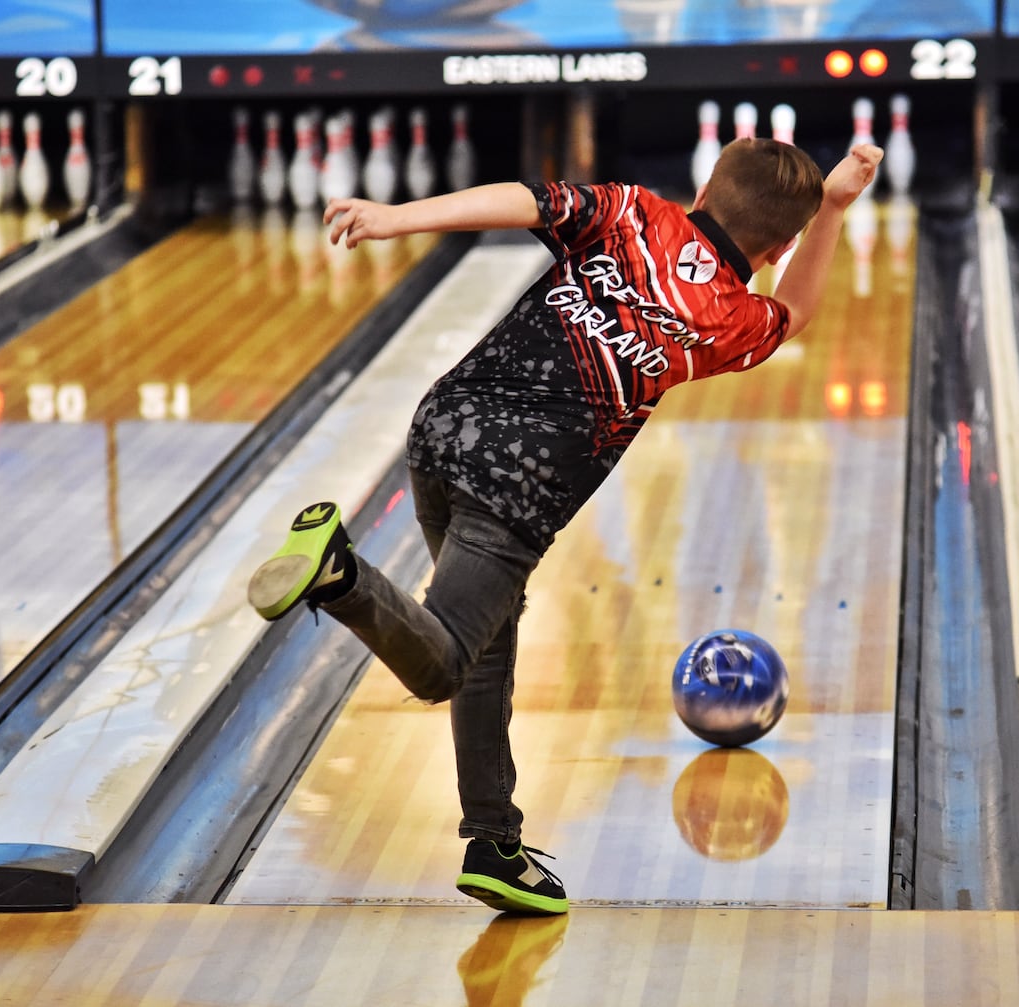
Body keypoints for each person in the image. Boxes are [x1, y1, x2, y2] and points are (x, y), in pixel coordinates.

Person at [247, 137, 885, 915]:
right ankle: (339, 576)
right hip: (518, 489)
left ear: (705, 183)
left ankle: (495, 843)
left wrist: (393, 218)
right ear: (781, 243)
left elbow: (522, 199)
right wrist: (837, 212)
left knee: (486, 643)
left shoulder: (633, 213)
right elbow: (800, 312)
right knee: (444, 665)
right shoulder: (727, 323)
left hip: (443, 427)